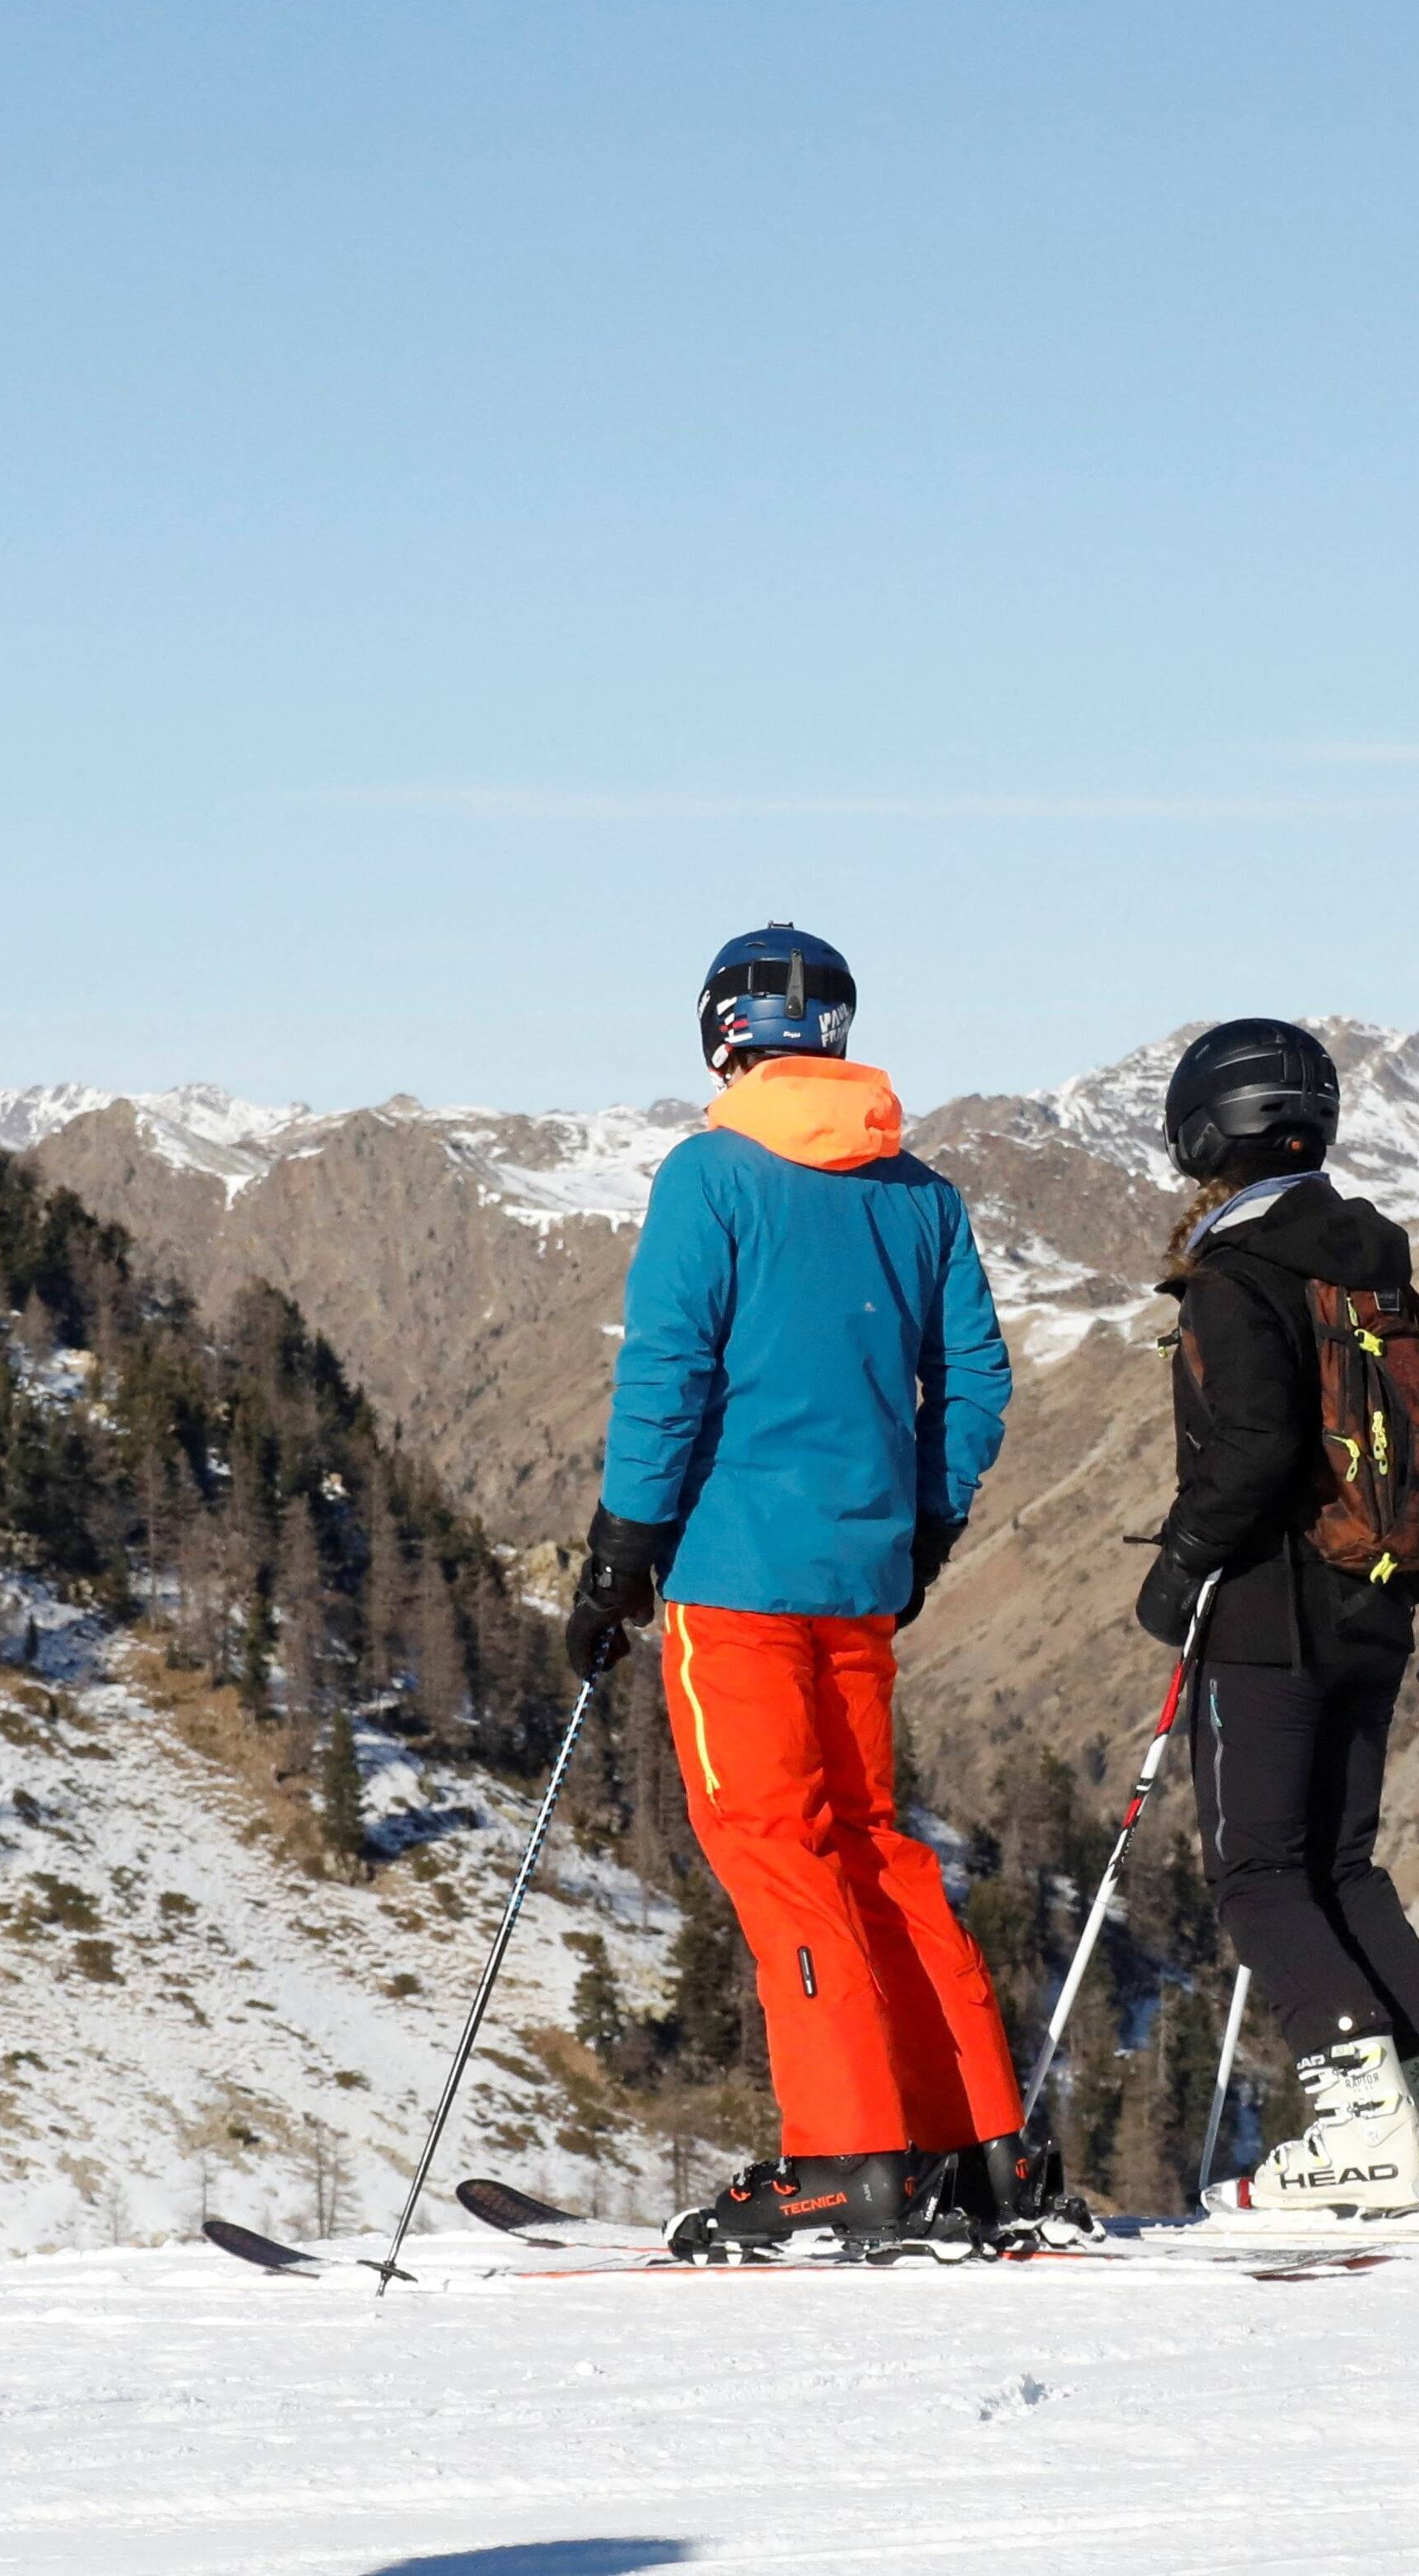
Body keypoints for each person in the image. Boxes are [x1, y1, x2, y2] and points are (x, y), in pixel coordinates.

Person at [564, 922, 1047, 2258]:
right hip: (859, 1579)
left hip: (731, 1579)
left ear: (723, 1030)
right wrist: (927, 1531)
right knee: (875, 1847)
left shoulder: (709, 1176)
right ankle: (979, 2145)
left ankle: (843, 2157)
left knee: (778, 1852)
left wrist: (622, 1550)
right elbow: (977, 1385)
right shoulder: (920, 1195)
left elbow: (669, 1375)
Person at [1132, 1018, 1419, 2218]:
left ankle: (1360, 2128)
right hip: (1378, 1606)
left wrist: (1181, 1566)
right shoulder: (1371, 1264)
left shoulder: (1240, 1275)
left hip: (1267, 1618)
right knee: (1343, 1865)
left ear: (1208, 1133)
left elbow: (1253, 1450)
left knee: (1255, 1874)